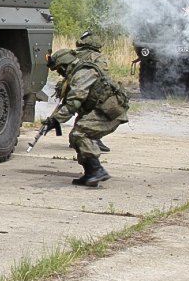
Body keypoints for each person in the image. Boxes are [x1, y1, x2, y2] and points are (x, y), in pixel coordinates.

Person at [43, 48, 129, 187]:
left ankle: (97, 170)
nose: (59, 73)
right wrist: (53, 120)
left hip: (109, 113)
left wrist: (56, 120)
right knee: (75, 137)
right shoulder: (77, 74)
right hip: (101, 111)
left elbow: (74, 102)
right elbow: (67, 102)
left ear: (65, 65)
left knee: (80, 133)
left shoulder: (83, 74)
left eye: (59, 69)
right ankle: (90, 173)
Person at [74, 30, 112, 153]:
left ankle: (77, 137)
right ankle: (92, 137)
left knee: (82, 110)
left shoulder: (73, 54)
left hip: (73, 91)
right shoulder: (98, 57)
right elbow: (102, 76)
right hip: (88, 92)